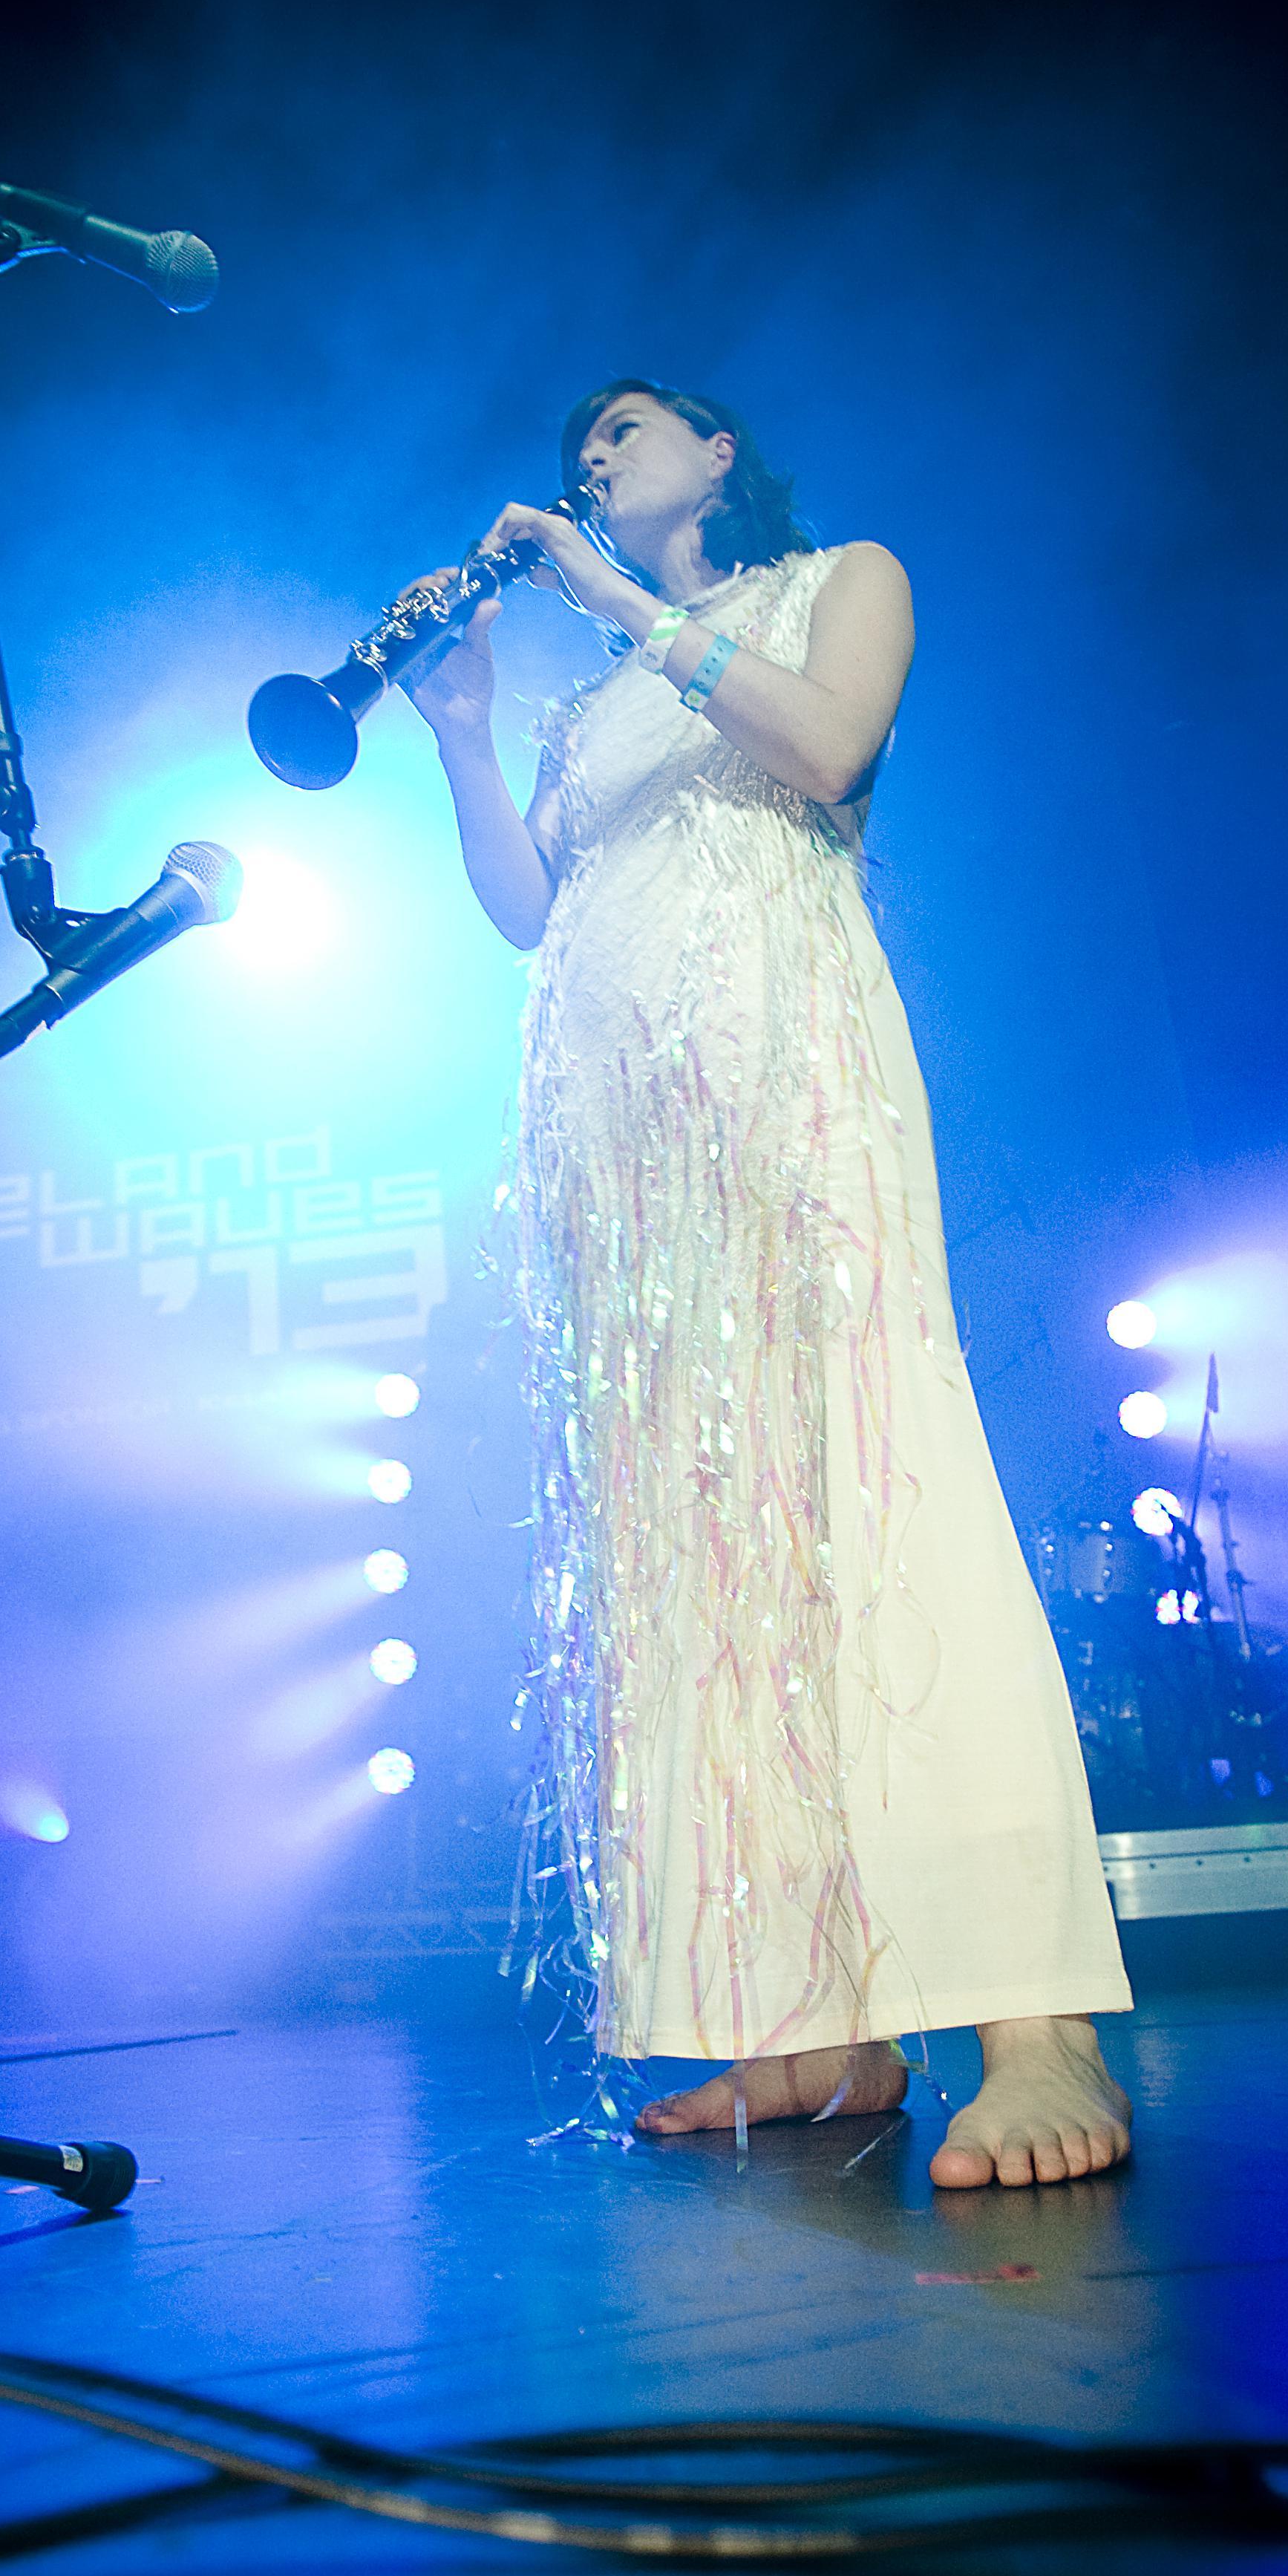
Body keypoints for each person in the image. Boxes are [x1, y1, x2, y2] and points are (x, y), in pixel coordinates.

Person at [399, 382, 1132, 2189]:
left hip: (795, 1090)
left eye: (626, 425)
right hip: (635, 1167)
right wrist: (464, 731)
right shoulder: (589, 700)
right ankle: (815, 2026)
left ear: (719, 453)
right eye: (579, 446)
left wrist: (607, 598)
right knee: (704, 1564)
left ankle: (1035, 2025)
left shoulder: (839, 580)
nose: (593, 454)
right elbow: (531, 911)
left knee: (883, 1497)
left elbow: (828, 750)